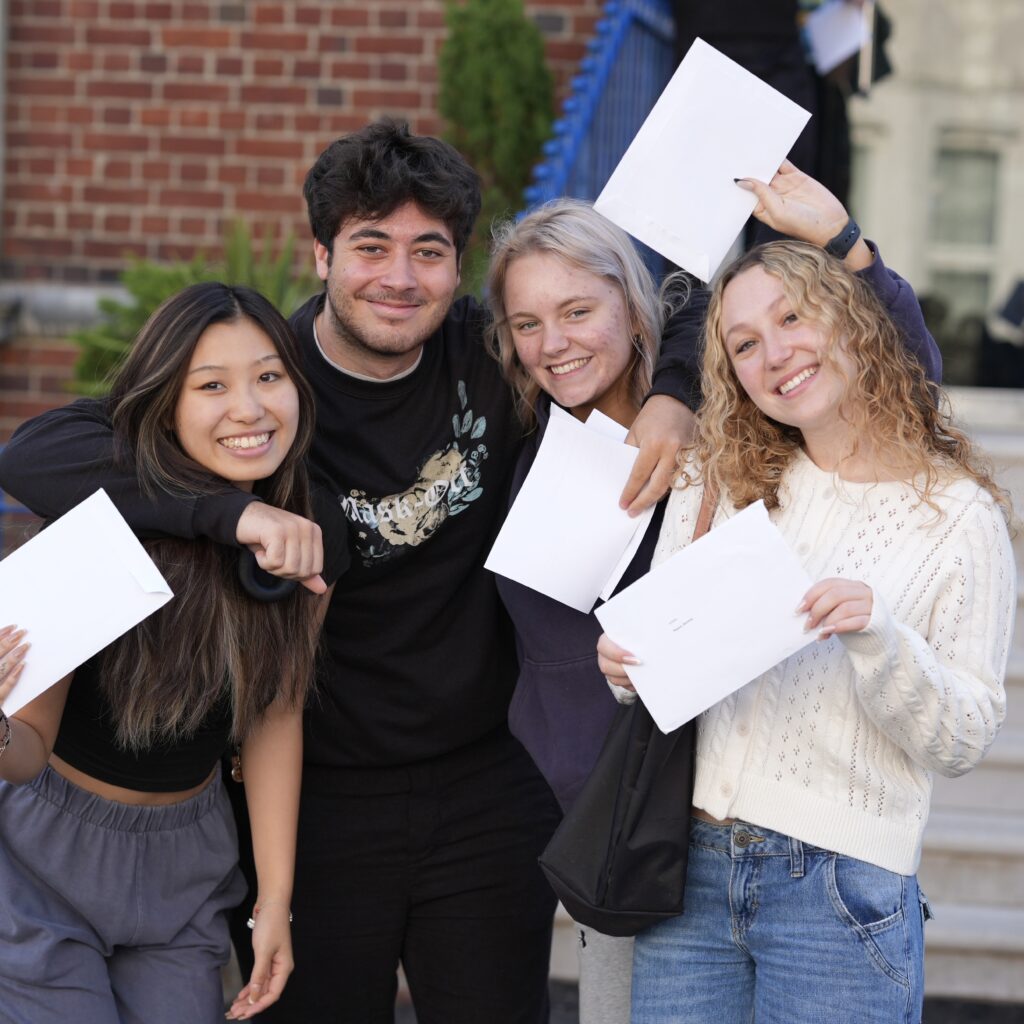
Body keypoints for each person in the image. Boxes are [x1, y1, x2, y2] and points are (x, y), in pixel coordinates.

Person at [0, 120, 698, 1024]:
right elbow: (43, 450)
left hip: (486, 787)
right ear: (322, 255)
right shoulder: (269, 388)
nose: (401, 278)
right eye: (372, 247)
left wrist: (675, 394)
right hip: (318, 795)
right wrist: (236, 510)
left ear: (456, 268)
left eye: (429, 252)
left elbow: (670, 305)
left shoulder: (494, 355)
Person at [484, 165, 941, 1024]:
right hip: (627, 837)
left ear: (632, 304)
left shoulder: (735, 426)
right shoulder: (528, 464)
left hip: (767, 817)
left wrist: (845, 247)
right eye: (527, 323)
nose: (554, 342)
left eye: (578, 311)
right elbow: (553, 674)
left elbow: (901, 382)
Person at [599, 240, 1014, 1023]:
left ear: (852, 319)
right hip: (686, 877)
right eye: (745, 344)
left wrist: (880, 637)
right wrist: (626, 668)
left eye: (793, 317)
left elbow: (963, 739)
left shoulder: (957, 517)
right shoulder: (716, 479)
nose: (775, 353)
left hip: (840, 892)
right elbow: (669, 671)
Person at [0, 283, 347, 1024]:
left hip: (186, 863)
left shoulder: (305, 536)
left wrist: (274, 904)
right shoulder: (104, 530)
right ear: (167, 405)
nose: (249, 410)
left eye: (268, 377)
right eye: (211, 386)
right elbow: (25, 749)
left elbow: (276, 715)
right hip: (40, 859)